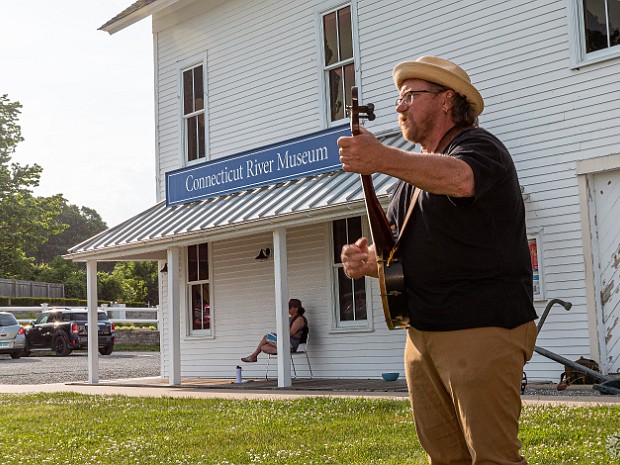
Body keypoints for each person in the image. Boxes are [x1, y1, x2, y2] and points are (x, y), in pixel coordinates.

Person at [338, 56, 538, 465]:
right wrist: (365, 260)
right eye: (399, 97)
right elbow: (397, 252)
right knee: (444, 458)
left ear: (447, 100)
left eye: (410, 95)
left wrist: (381, 158)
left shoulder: (480, 148)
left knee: (494, 458)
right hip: (422, 335)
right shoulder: (408, 182)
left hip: (480, 329)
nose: (399, 107)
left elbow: (462, 180)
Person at [241, 298, 308, 362]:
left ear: (296, 308)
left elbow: (290, 333)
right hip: (285, 342)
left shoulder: (300, 319)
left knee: (267, 337)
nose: (288, 309)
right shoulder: (290, 319)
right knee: (263, 347)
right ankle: (285, 351)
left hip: (290, 343)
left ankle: (253, 356)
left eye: (290, 307)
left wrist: (277, 335)